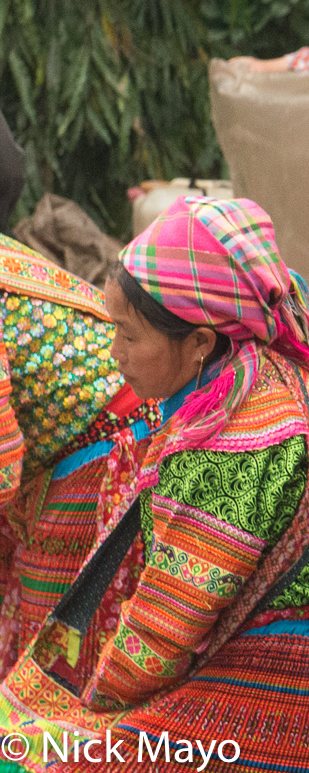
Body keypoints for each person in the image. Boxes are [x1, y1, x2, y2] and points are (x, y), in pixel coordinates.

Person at [0, 197, 309, 773]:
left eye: (126, 335)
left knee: (38, 749)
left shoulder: (231, 446)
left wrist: (82, 710)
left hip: (279, 672)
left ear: (199, 341)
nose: (113, 355)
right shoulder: (275, 374)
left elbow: (157, 644)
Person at [0, 237, 156, 675]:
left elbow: (3, 463)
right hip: (78, 436)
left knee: (51, 637)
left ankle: (52, 736)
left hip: (106, 438)